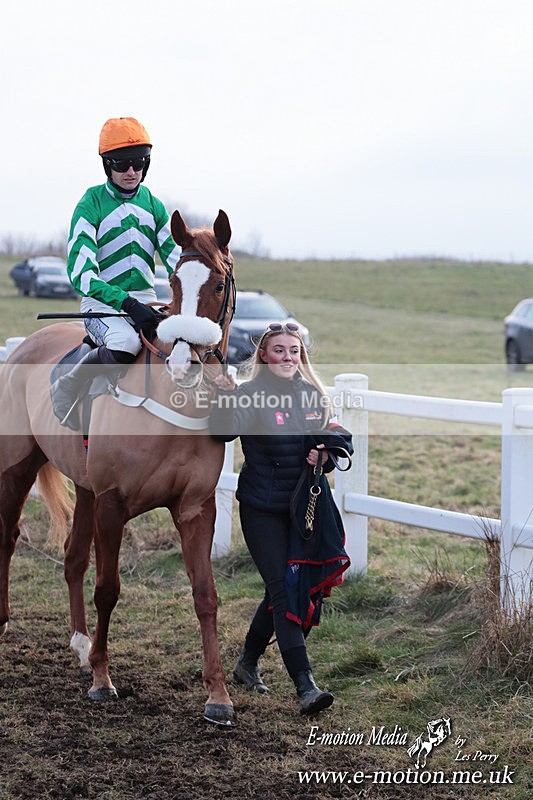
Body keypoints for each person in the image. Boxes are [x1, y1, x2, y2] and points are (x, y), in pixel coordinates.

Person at [209, 323, 353, 715]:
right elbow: (223, 434)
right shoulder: (249, 395)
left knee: (290, 589)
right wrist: (224, 398)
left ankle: (246, 663)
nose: (288, 357)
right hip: (262, 511)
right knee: (283, 591)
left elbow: (340, 436)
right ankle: (305, 685)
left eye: (294, 351)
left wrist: (326, 454)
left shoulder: (312, 395)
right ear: (264, 356)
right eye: (279, 351)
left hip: (305, 511)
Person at [50, 116, 181, 430]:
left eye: (138, 163)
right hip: (103, 306)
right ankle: (68, 384)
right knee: (124, 344)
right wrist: (125, 303)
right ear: (107, 165)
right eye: (122, 164)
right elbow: (81, 274)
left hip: (148, 304)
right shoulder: (91, 202)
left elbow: (176, 260)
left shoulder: (154, 205)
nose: (131, 172)